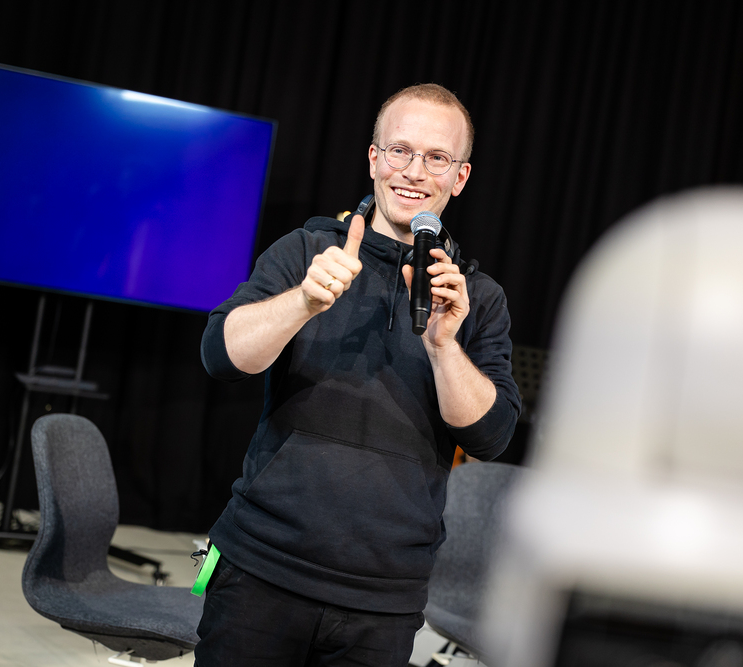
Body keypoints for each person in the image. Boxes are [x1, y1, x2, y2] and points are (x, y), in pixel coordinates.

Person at [196, 83, 521, 666]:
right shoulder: (308, 251)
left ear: (460, 177)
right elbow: (221, 357)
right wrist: (303, 302)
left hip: (383, 600)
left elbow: (491, 437)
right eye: (400, 150)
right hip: (260, 570)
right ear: (373, 159)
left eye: (437, 158)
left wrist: (444, 346)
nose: (414, 172)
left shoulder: (477, 297)